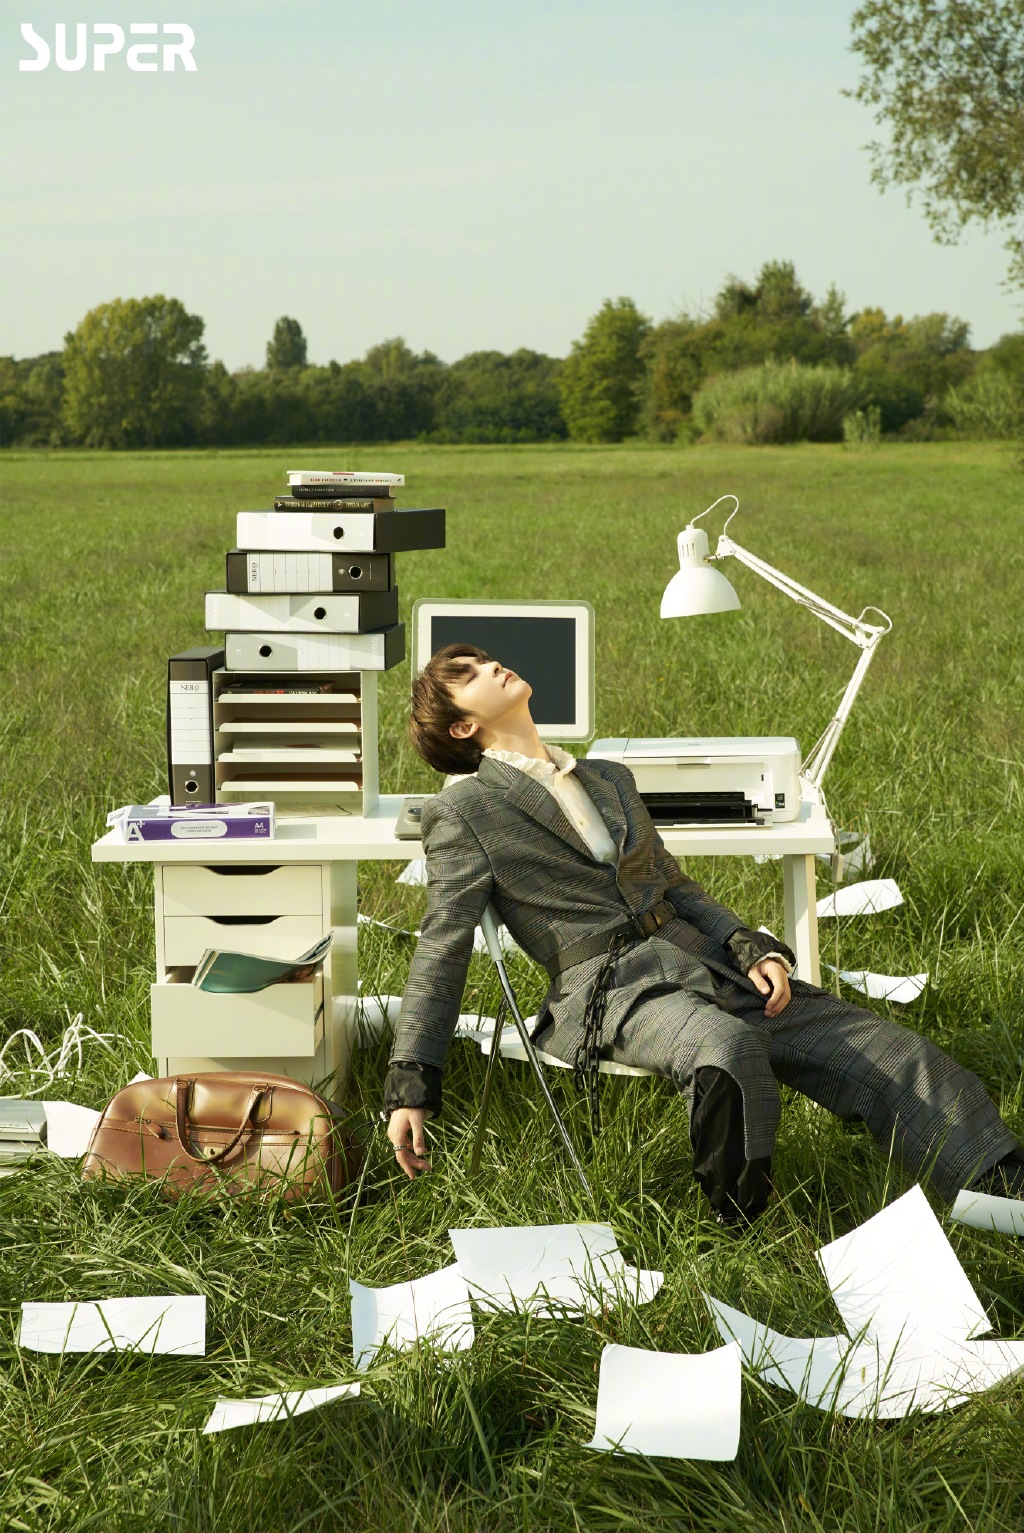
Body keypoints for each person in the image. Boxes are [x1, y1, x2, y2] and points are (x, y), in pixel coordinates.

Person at [384, 645, 1024, 1225]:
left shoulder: (607, 778)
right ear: (462, 727)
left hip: (703, 959)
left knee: (889, 1050)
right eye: (467, 675)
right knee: (726, 1047)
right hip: (610, 992)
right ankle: (745, 1225)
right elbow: (442, 947)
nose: (491, 665)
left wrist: (750, 946)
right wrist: (412, 1082)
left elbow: (675, 886)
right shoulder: (464, 811)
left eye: (483, 659)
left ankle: (999, 1191)